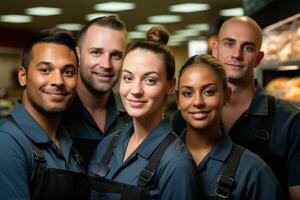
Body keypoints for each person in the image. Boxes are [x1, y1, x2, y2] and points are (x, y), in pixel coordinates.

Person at [88, 27, 199, 199]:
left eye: (150, 80)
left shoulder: (176, 163)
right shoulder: (106, 145)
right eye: (128, 78)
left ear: (170, 85)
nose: (136, 90)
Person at [212, 16, 300, 200]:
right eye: (229, 43)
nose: (237, 54)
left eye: (248, 47)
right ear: (215, 50)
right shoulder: (189, 116)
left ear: (259, 58)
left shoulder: (289, 121)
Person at [177, 54, 282, 199]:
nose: (197, 102)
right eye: (187, 93)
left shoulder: (254, 173)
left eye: (208, 92)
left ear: (227, 95)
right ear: (178, 99)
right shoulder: (160, 160)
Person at [0, 28, 88, 199]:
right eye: (45, 70)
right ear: (23, 76)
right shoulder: (8, 142)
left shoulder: (66, 139)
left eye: (68, 72)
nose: (58, 81)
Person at [61, 16, 131, 166]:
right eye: (96, 52)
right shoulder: (56, 114)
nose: (106, 64)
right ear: (77, 55)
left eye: (116, 55)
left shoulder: (133, 115)